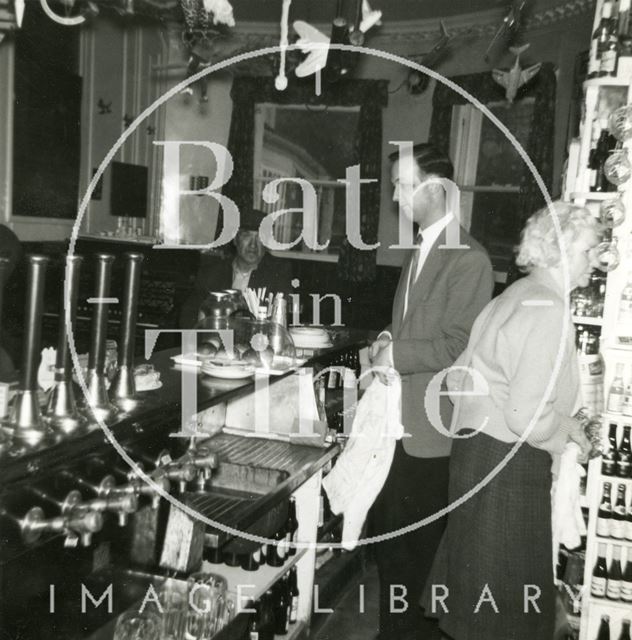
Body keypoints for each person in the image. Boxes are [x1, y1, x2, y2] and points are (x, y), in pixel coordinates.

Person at [421, 202, 599, 640]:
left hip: (475, 457)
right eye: (590, 251)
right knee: (505, 618)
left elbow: (456, 382)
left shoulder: (514, 295)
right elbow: (524, 417)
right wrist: (566, 433)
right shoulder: (550, 310)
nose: (594, 262)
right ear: (561, 250)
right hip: (507, 468)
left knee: (481, 609)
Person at [368, 144, 494, 640]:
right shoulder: (420, 247)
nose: (396, 196)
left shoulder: (471, 260)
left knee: (420, 560)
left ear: (436, 190)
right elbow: (411, 326)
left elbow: (453, 343)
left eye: (403, 185)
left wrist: (394, 356)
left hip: (432, 434)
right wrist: (386, 338)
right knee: (391, 551)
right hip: (399, 427)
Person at [179, 208, 292, 328]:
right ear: (235, 239)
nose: (253, 245)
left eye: (260, 237)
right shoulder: (213, 272)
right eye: (246, 236)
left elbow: (281, 320)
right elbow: (188, 315)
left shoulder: (279, 272)